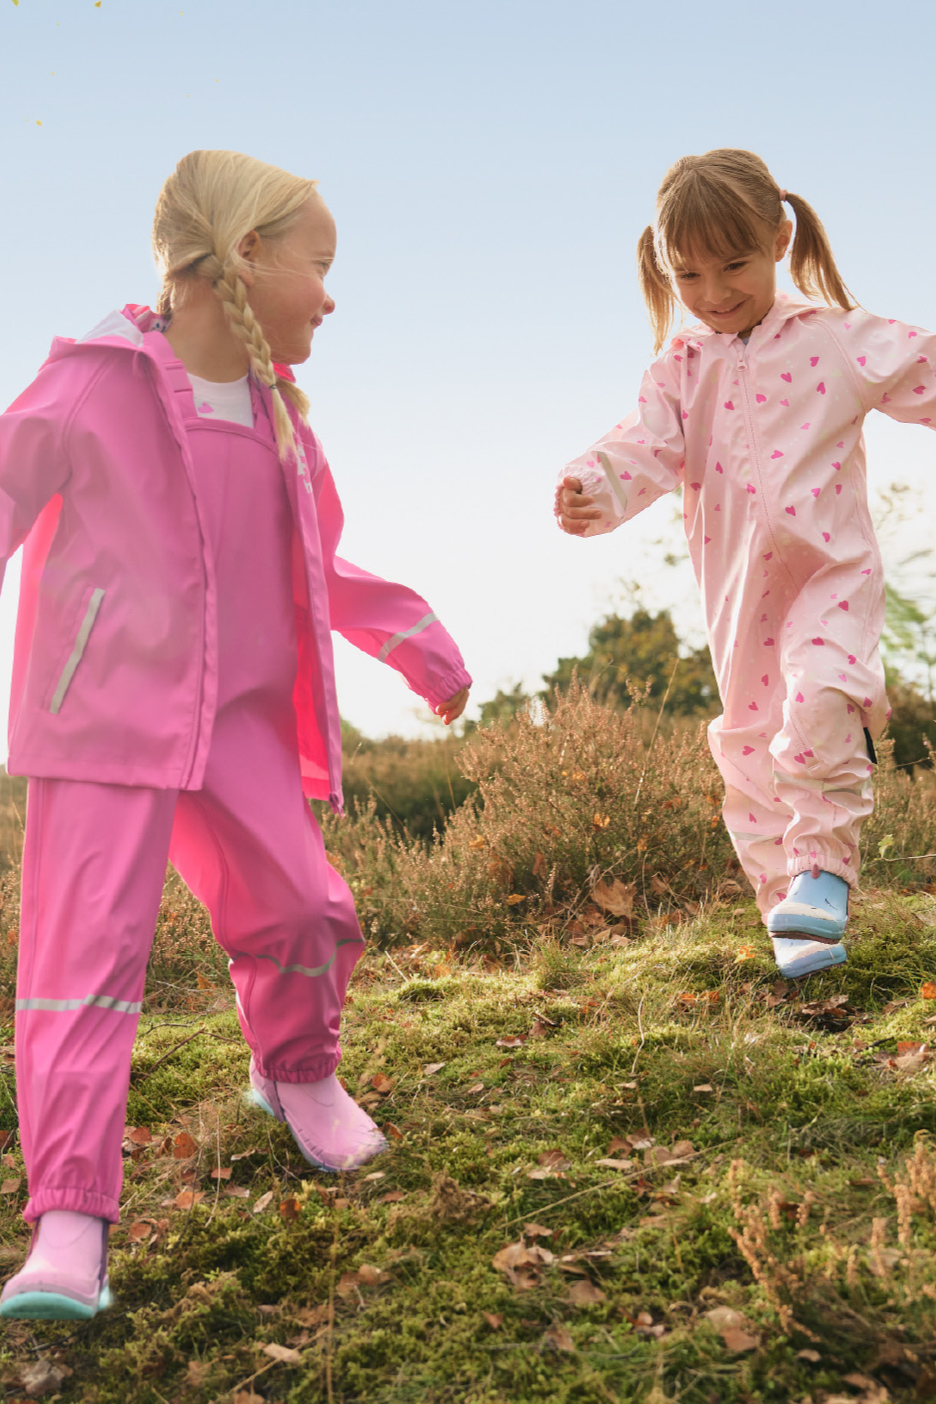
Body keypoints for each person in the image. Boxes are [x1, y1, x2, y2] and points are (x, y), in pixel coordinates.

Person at [0, 149, 471, 1321]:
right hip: (100, 716)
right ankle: (70, 1226)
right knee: (83, 965)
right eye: (318, 264)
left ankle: (296, 1075)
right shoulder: (92, 382)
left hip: (241, 722)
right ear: (244, 256)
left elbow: (317, 564)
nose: (329, 292)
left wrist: (413, 633)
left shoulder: (280, 425)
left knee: (305, 911)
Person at [555, 148, 934, 982]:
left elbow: (925, 366)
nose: (716, 292)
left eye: (734, 265)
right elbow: (643, 446)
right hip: (738, 592)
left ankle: (824, 870)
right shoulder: (679, 370)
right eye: (689, 274)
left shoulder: (833, 339)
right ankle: (791, 917)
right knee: (754, 740)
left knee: (823, 693)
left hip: (831, 573)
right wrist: (594, 485)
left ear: (779, 238)